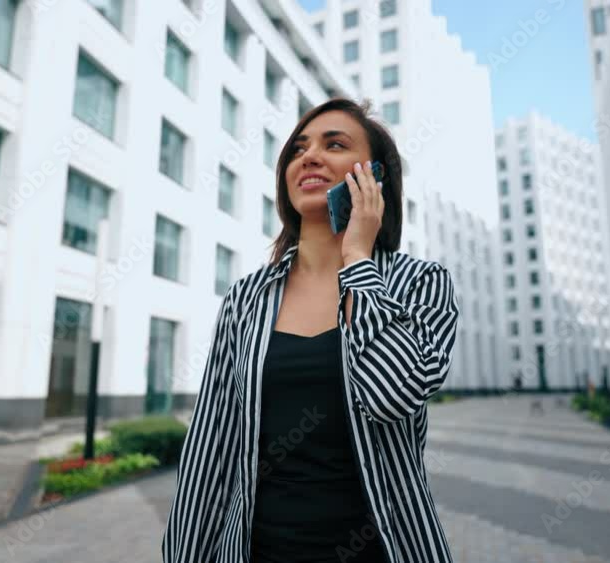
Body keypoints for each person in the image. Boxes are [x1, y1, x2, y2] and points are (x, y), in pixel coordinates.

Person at [161, 98, 460, 563]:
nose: (310, 156)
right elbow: (211, 448)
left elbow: (392, 395)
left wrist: (358, 260)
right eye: (299, 148)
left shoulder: (419, 283)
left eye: (334, 144)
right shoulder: (247, 298)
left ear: (374, 176)